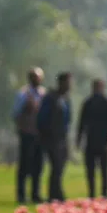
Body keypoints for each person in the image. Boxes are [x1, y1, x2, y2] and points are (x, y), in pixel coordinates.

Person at [77, 79, 107, 198]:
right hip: (95, 141)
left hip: (98, 141)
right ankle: (97, 194)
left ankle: (99, 194)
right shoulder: (102, 103)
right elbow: (82, 123)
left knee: (99, 171)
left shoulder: (96, 103)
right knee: (95, 171)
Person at [37, 72, 72, 202]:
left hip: (62, 137)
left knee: (60, 166)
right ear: (61, 83)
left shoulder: (65, 99)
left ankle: (56, 193)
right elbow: (42, 118)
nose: (70, 86)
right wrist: (46, 134)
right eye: (68, 83)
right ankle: (55, 194)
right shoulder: (50, 98)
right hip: (51, 138)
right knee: (56, 165)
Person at [12, 67, 46, 204]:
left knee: (38, 165)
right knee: (24, 165)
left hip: (40, 135)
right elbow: (15, 113)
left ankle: (35, 194)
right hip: (27, 134)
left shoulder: (43, 94)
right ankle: (21, 195)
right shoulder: (23, 94)